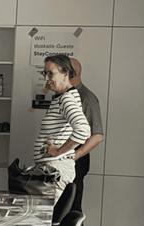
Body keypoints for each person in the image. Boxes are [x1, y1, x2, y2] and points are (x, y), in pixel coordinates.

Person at [36, 55, 91, 204]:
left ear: (65, 74)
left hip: (56, 171)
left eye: (50, 73)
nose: (46, 78)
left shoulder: (66, 99)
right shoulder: (62, 98)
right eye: (44, 73)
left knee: (47, 217)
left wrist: (58, 151)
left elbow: (83, 130)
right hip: (53, 170)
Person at [69, 58, 104, 216]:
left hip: (74, 165)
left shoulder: (87, 98)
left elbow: (97, 136)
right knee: (60, 212)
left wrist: (72, 157)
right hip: (63, 163)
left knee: (72, 212)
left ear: (75, 73)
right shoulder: (64, 95)